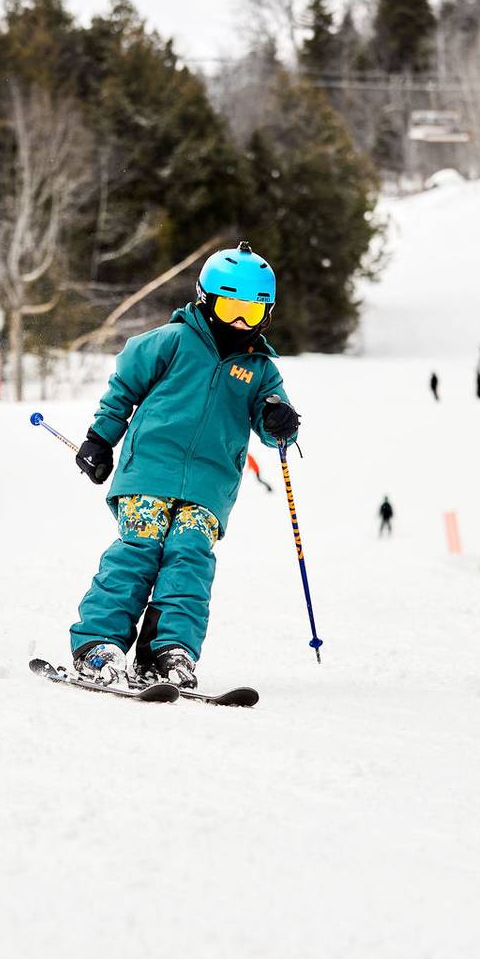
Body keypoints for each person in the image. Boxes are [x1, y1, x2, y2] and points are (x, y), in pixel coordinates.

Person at [66, 243, 297, 690]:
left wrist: (279, 420)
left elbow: (275, 429)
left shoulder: (260, 371)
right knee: (140, 549)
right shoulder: (172, 341)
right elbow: (123, 389)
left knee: (189, 559)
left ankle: (167, 652)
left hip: (209, 487)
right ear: (205, 300)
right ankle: (98, 643)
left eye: (250, 313)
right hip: (149, 470)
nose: (237, 322)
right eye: (230, 307)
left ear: (266, 315)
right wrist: (99, 440)